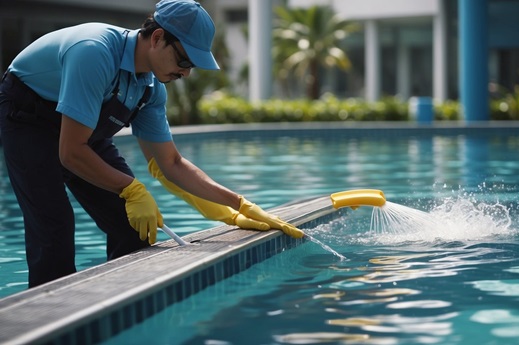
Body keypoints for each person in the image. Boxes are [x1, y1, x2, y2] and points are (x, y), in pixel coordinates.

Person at [0, 0, 303, 288]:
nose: (185, 73)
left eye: (192, 66)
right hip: (29, 118)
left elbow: (170, 163)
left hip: (80, 132)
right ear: (157, 38)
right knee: (54, 226)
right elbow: (70, 152)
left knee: (135, 225)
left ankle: (118, 305)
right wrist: (131, 189)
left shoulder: (150, 88)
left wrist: (237, 205)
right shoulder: (94, 52)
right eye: (184, 60)